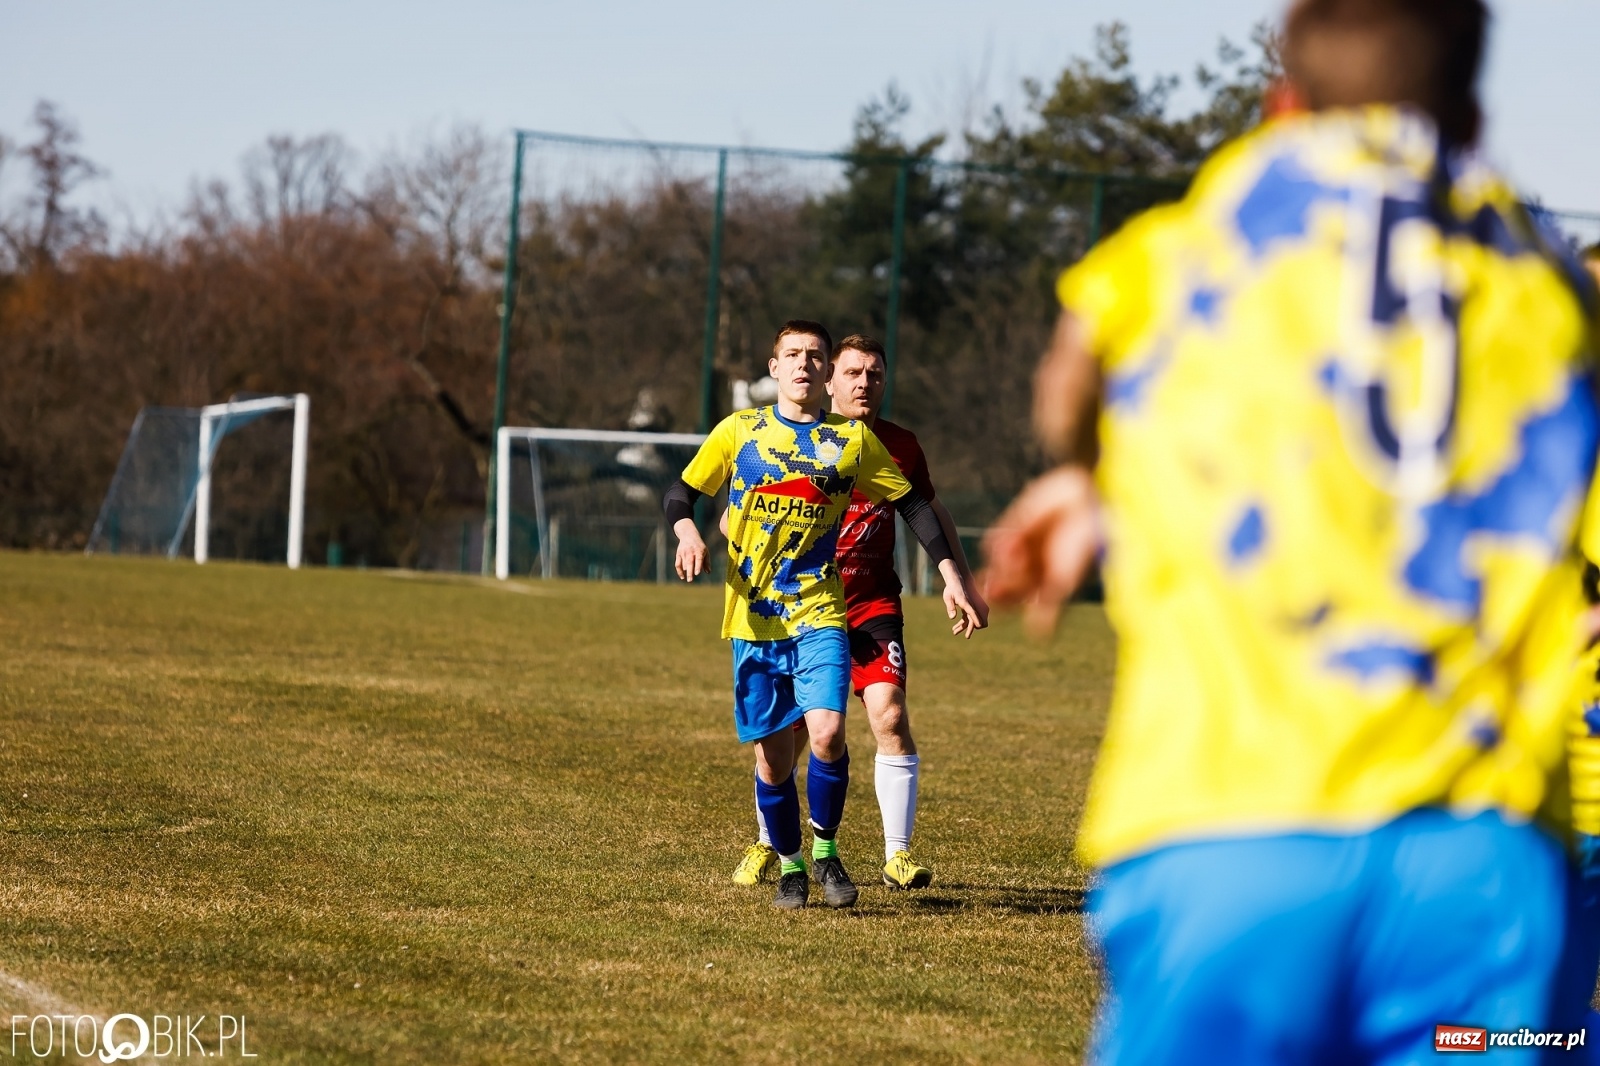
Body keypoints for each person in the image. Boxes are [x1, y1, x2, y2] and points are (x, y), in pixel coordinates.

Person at [982, 1, 1600, 1062]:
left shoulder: (1202, 236)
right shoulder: (1545, 278)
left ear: (1280, 105)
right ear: (1468, 114)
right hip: (1478, 869)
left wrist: (1085, 474)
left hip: (1230, 843)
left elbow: (1069, 375)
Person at [667, 320, 982, 911]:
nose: (805, 365)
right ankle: (787, 862)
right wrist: (688, 531)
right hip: (755, 620)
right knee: (773, 755)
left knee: (830, 733)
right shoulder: (740, 431)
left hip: (822, 610)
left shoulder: (854, 442)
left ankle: (829, 851)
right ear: (775, 367)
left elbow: (914, 502)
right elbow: (681, 494)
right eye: (794, 355)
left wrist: (950, 575)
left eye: (814, 355)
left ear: (823, 369)